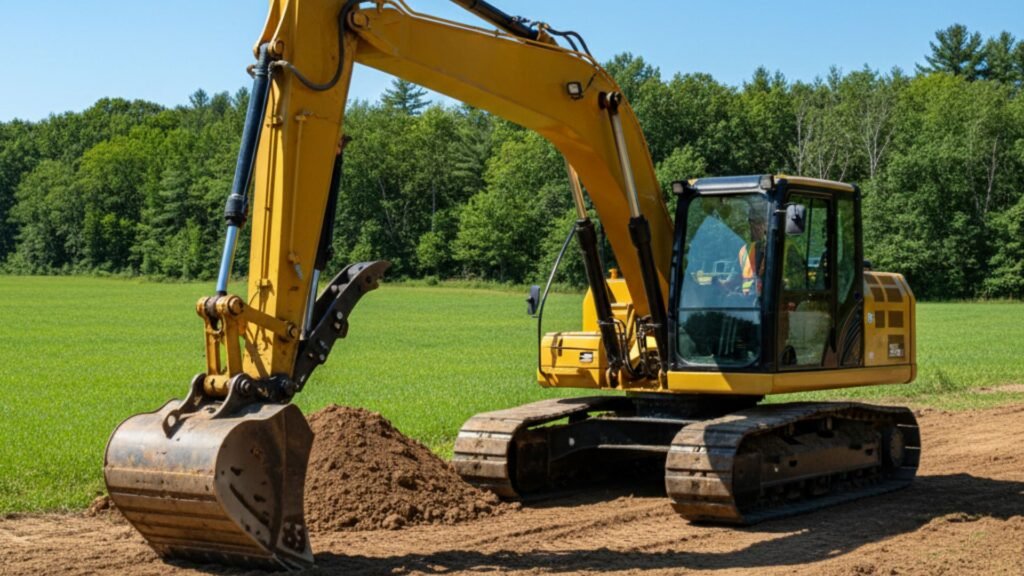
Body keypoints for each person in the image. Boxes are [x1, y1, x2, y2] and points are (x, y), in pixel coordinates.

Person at [738, 205, 767, 296]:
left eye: (759, 222)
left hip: (772, 303)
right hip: (747, 303)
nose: (755, 227)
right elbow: (736, 278)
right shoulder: (744, 250)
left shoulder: (784, 247)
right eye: (752, 222)